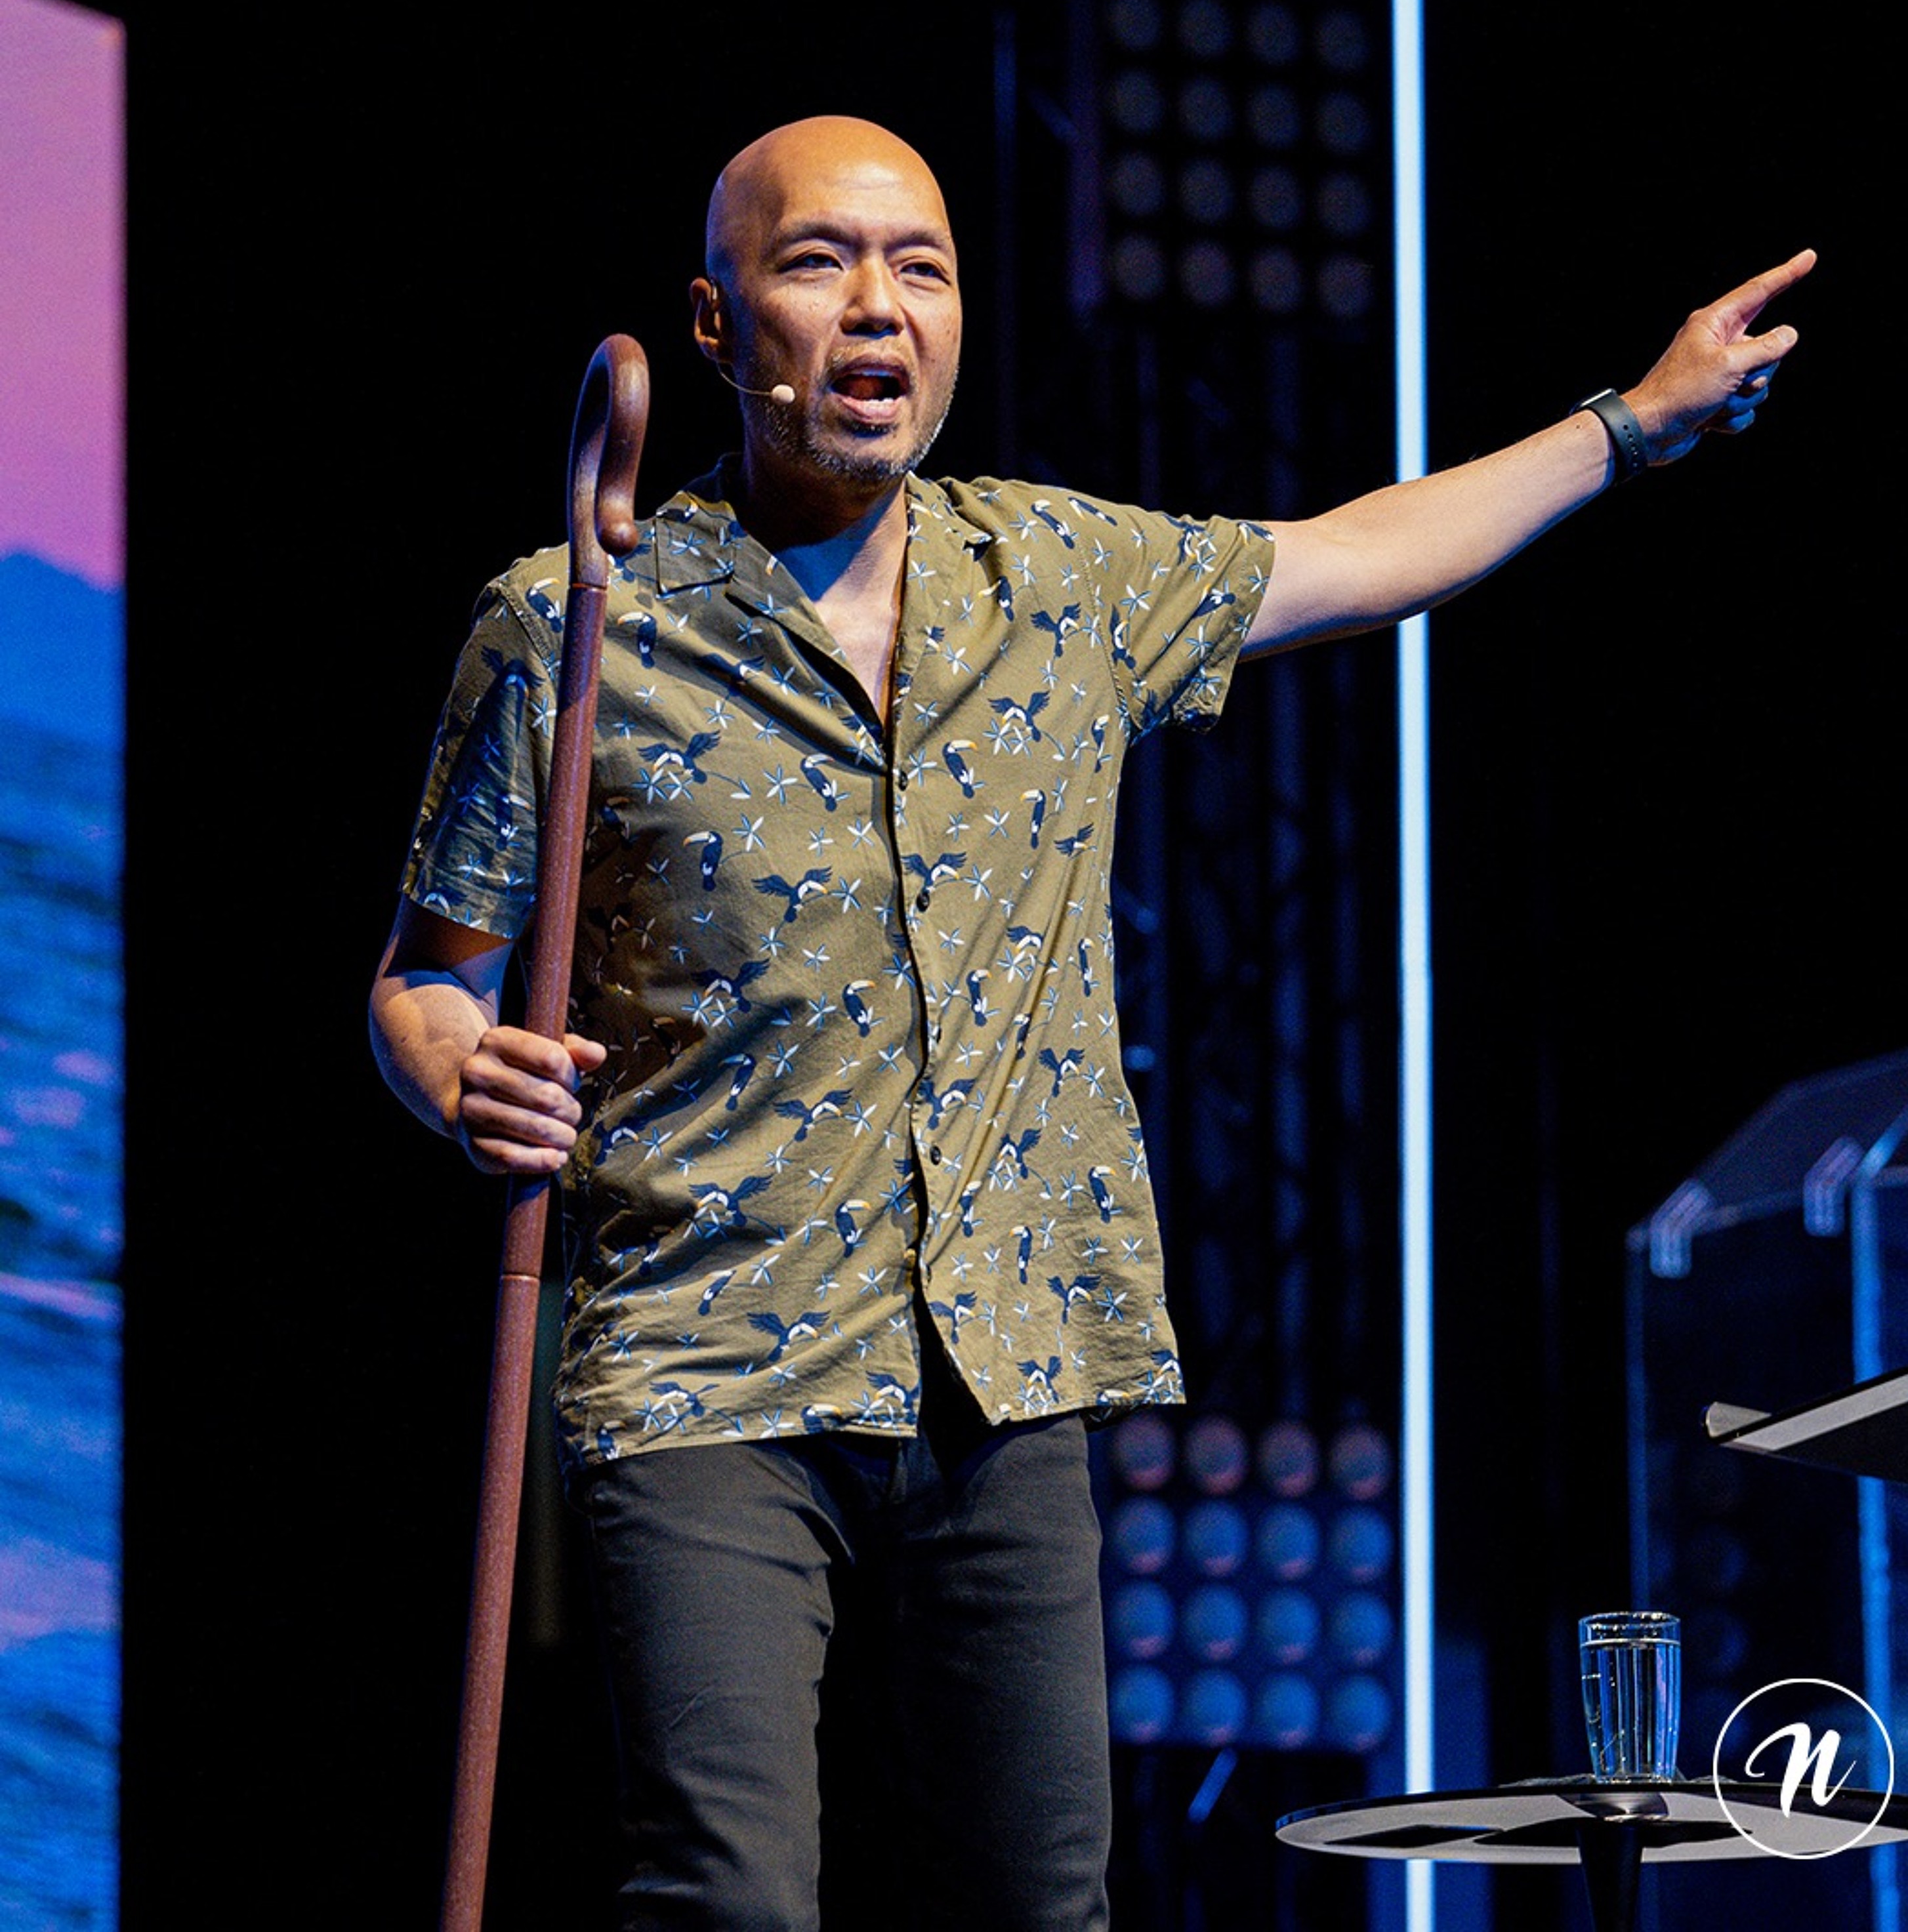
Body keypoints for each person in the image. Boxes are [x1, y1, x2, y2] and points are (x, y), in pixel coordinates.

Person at [370, 115, 1810, 1931]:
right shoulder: (580, 623)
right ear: (717, 323)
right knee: (729, 1900)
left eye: (922, 268)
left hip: (1004, 1371)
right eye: (819, 262)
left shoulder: (1059, 581)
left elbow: (1357, 553)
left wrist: (1631, 423)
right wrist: (465, 1074)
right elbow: (427, 979)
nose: (879, 307)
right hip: (701, 1363)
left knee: (1044, 1902)